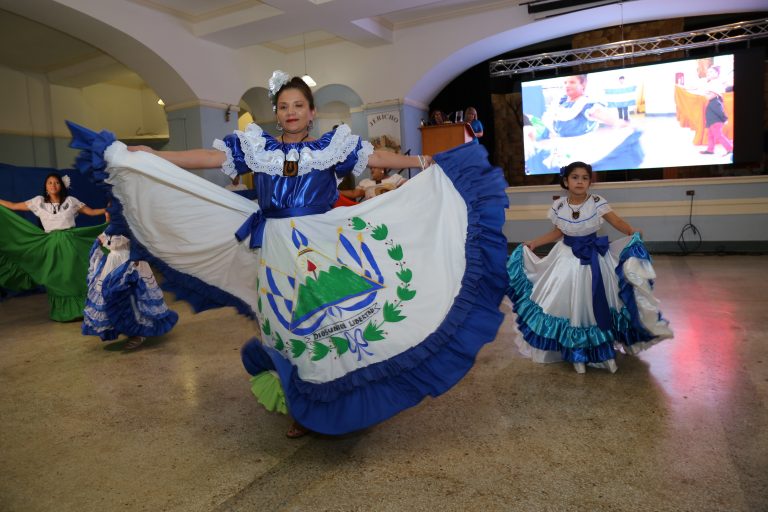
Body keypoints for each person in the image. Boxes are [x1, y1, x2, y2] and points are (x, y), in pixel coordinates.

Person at [67, 70, 509, 439]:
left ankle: (349, 402)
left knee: (339, 319)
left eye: (299, 105)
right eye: (283, 106)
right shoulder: (256, 148)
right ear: (275, 113)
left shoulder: (333, 147)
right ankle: (302, 407)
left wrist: (425, 163)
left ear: (312, 111)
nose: (291, 112)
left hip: (323, 241)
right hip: (275, 245)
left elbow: (375, 156)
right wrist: (154, 157)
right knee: (286, 324)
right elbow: (206, 157)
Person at [506, 161, 673, 373]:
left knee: (597, 299)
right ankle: (573, 348)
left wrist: (631, 231)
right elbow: (558, 232)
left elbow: (617, 221)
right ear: (566, 181)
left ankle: (597, 348)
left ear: (589, 182)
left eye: (585, 178)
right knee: (569, 300)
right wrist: (535, 243)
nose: (580, 182)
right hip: (566, 259)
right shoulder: (559, 206)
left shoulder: (597, 202)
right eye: (575, 177)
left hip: (595, 258)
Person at [0, 173, 106, 321]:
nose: (53, 185)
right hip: (50, 245)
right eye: (50, 183)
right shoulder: (38, 202)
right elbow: (13, 206)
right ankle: (62, 312)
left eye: (56, 182)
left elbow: (92, 212)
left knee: (74, 276)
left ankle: (84, 309)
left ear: (61, 186)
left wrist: (107, 211)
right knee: (57, 278)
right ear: (46, 186)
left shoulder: (71, 201)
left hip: (71, 243)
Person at [82, 208, 178, 350]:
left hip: (129, 263)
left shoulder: (128, 226)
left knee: (132, 296)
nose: (108, 213)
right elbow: (106, 243)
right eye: (107, 210)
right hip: (113, 263)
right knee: (112, 296)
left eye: (111, 210)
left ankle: (139, 332)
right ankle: (123, 328)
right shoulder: (109, 229)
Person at [531, 74, 643, 174]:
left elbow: (602, 115)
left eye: (572, 82)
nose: (567, 85)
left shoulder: (586, 104)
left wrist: (621, 123)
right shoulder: (561, 103)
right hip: (560, 148)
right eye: (565, 82)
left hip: (580, 150)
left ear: (583, 84)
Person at [699, 67, 733, 157]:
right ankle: (710, 150)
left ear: (717, 73)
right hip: (711, 119)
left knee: (718, 135)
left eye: (711, 71)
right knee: (710, 135)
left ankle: (730, 148)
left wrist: (724, 119)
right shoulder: (710, 85)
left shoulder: (716, 100)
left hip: (716, 120)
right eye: (708, 71)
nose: (708, 73)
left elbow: (719, 111)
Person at [341, 166, 407, 201]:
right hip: (373, 214)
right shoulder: (366, 182)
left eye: (374, 167)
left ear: (382, 168)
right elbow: (354, 193)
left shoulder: (395, 178)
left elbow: (409, 186)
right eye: (371, 168)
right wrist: (338, 192)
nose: (371, 170)